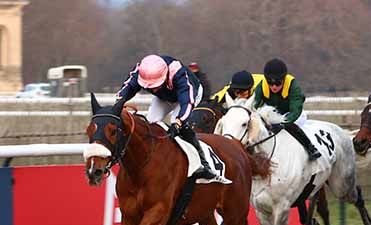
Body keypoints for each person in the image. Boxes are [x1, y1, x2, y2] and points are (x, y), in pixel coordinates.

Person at [115, 54, 230, 183]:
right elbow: (128, 87)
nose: (153, 89)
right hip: (165, 97)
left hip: (189, 96)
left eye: (156, 85)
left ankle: (201, 163)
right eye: (150, 87)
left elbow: (187, 102)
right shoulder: (141, 71)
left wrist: (179, 121)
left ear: (165, 75)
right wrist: (119, 102)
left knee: (179, 128)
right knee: (149, 124)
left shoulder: (179, 75)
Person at [253, 58, 321, 161]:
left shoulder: (293, 86)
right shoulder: (261, 86)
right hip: (275, 114)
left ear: (284, 79)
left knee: (290, 126)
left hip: (294, 114)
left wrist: (283, 124)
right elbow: (253, 105)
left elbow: (295, 110)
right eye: (270, 83)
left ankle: (310, 148)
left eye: (278, 83)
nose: (274, 87)